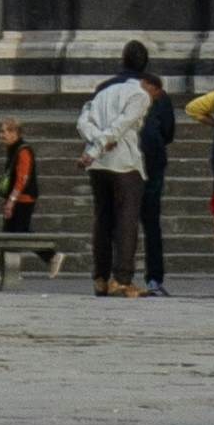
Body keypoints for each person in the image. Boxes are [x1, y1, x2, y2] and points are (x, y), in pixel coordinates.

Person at [79, 54, 151, 297]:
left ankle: (100, 276)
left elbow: (83, 123)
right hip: (124, 164)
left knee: (102, 219)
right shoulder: (139, 95)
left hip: (97, 165)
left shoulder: (101, 95)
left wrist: (94, 148)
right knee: (126, 221)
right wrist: (101, 145)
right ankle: (121, 278)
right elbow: (121, 125)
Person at [137, 49, 180, 295]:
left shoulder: (131, 94)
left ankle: (122, 275)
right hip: (151, 164)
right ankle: (153, 278)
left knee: (130, 221)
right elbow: (169, 132)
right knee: (150, 223)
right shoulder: (161, 99)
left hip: (138, 164)